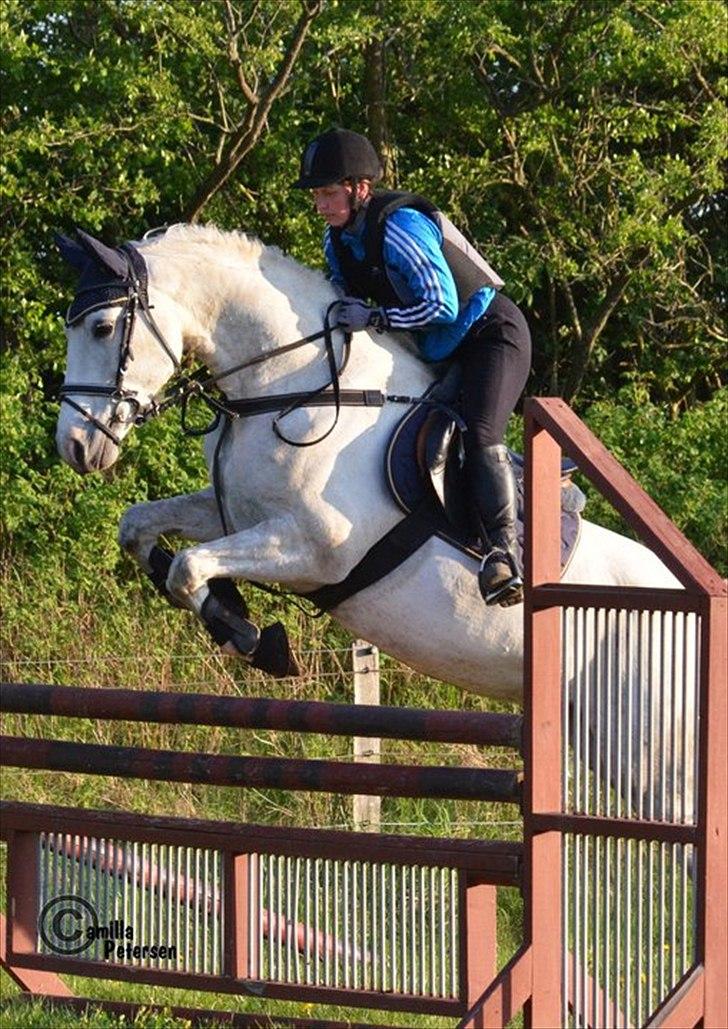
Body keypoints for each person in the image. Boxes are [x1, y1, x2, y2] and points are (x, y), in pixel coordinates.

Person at [293, 127, 531, 607]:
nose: (319, 204)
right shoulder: (336, 242)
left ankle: (506, 553)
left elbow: (441, 305)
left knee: (481, 433)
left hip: (489, 335)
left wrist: (375, 317)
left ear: (360, 189)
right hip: (437, 350)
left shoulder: (400, 226)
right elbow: (347, 299)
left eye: (326, 193)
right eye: (317, 195)